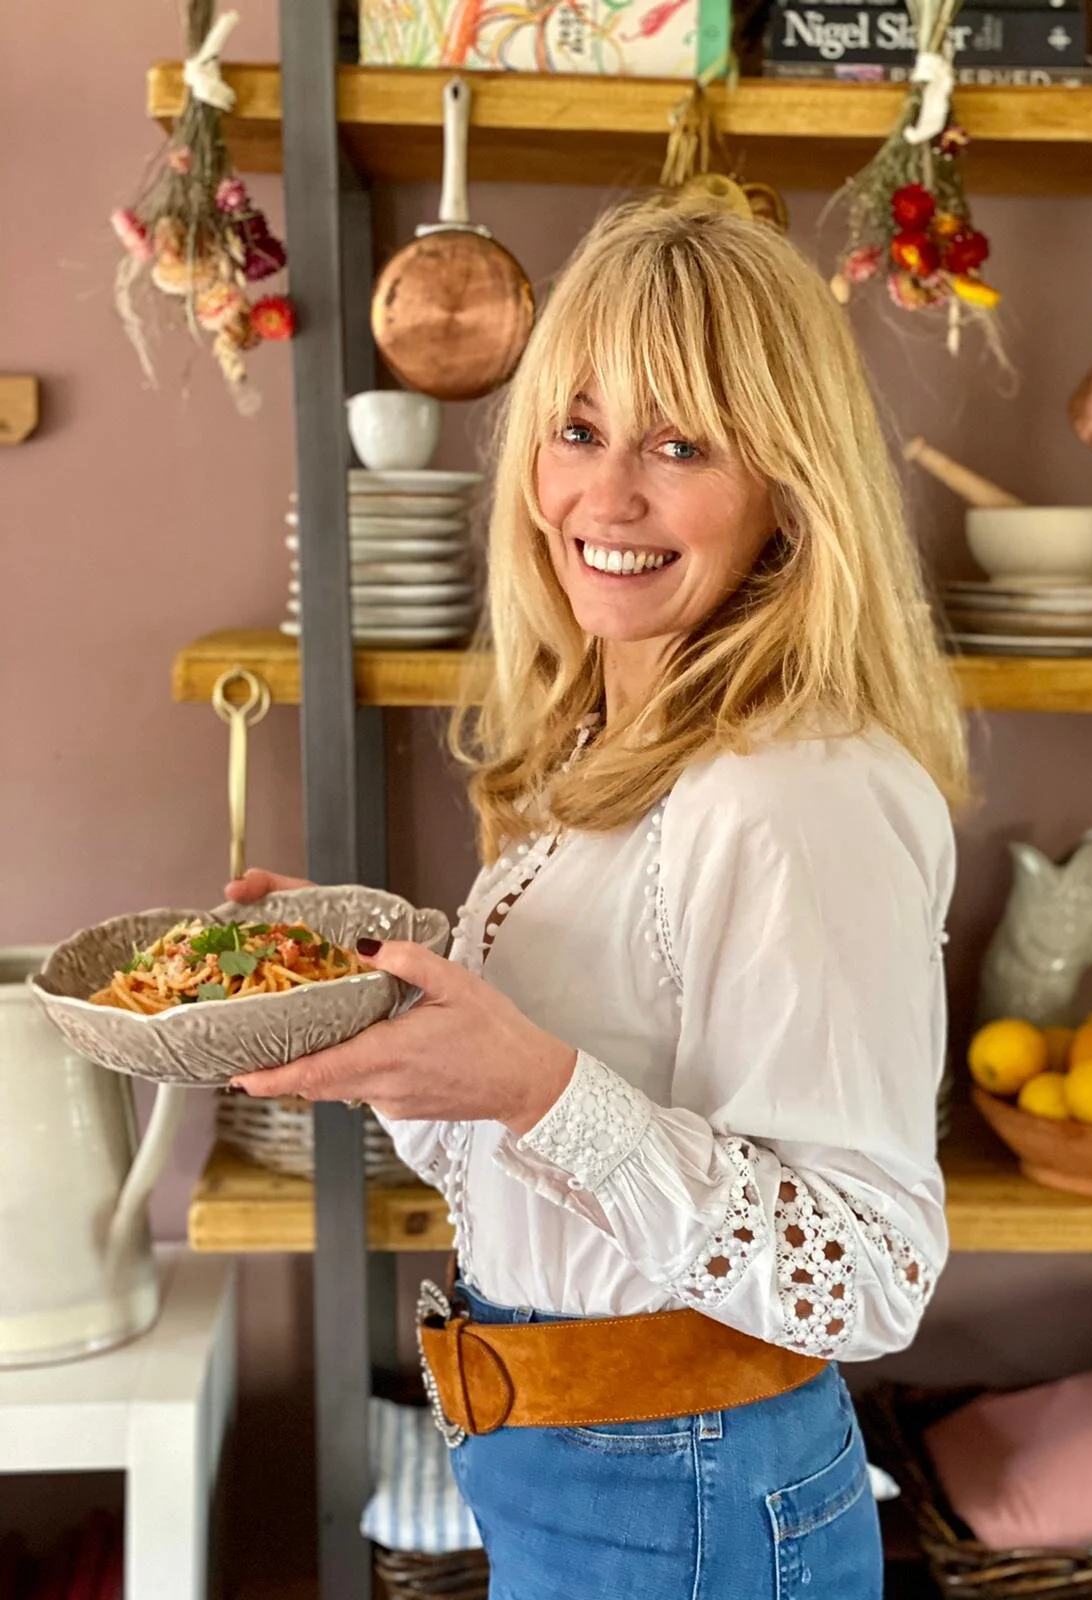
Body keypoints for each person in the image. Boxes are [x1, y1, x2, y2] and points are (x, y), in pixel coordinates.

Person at [229, 198, 968, 1600]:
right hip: (584, 1462)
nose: (604, 497)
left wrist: (532, 1089)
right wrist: (377, 1006)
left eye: (679, 444)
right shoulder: (605, 748)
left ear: (789, 491)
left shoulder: (791, 788)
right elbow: (539, 1171)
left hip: (686, 1480)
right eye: (576, 431)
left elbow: (868, 1271)